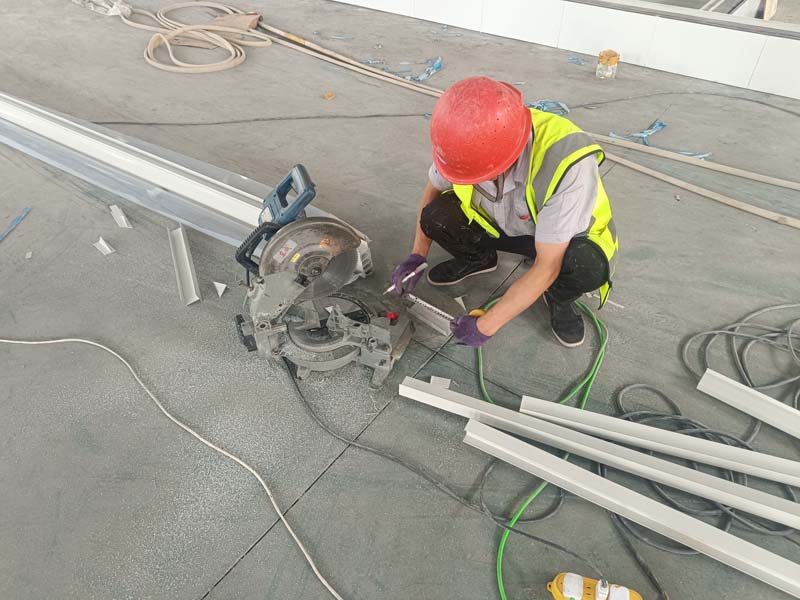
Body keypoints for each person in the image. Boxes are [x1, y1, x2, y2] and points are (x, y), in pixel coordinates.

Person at [391, 76, 618, 348]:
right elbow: (434, 187)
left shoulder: (566, 161)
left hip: (559, 241)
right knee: (435, 217)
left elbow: (548, 264)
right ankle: (479, 258)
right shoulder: (460, 139)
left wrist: (485, 326)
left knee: (586, 266)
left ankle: (559, 297)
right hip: (499, 224)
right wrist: (418, 254)